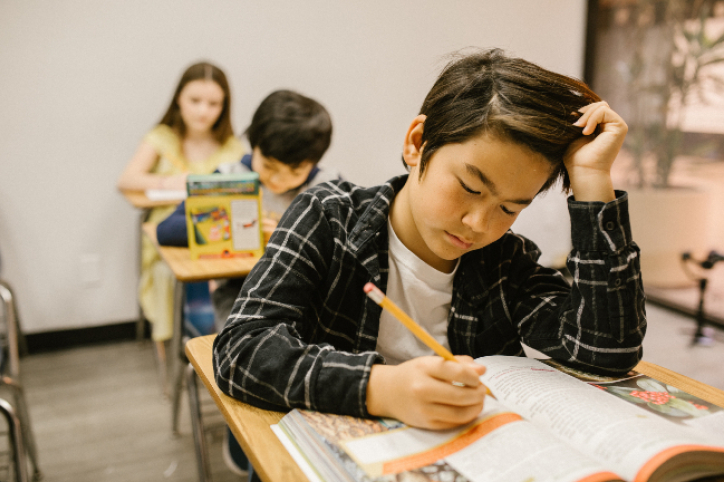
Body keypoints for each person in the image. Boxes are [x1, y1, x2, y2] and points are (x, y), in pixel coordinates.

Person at [213, 48, 647, 433]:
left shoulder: (502, 261)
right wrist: (380, 388)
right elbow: (242, 349)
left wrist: (592, 179)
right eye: (470, 188)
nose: (479, 223)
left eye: (510, 208)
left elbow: (605, 350)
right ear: (417, 144)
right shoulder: (328, 218)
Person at [156, 89, 336, 478]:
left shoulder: (325, 193)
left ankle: (310, 444)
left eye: (294, 171)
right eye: (269, 165)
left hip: (309, 300)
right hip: (240, 297)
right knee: (251, 357)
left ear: (313, 164)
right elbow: (167, 230)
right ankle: (244, 439)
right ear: (252, 145)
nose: (278, 179)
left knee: (318, 352)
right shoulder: (230, 179)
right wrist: (228, 225)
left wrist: (293, 233)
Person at [117, 62, 243, 343]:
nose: (203, 111)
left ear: (224, 106)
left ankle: (218, 352)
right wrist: (167, 184)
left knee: (226, 280)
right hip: (168, 238)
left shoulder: (232, 147)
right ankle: (172, 363)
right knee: (166, 275)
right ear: (179, 99)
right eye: (195, 100)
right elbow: (127, 181)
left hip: (218, 240)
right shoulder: (161, 138)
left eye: (213, 103)